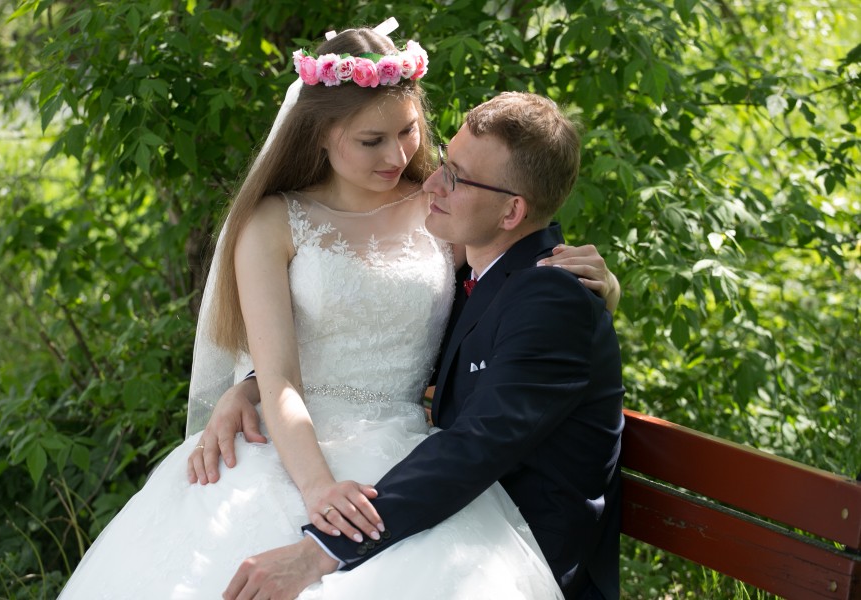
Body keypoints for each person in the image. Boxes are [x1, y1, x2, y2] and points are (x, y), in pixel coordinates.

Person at [58, 20, 619, 599]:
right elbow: (282, 374)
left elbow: (500, 305)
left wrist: (601, 291)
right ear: (320, 134)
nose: (399, 155)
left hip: (405, 445)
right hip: (292, 446)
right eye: (371, 141)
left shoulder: (438, 211)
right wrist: (296, 455)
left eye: (408, 131)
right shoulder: (273, 222)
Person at [221, 92, 624, 600]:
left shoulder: (550, 298)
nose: (429, 181)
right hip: (432, 487)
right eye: (443, 163)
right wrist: (254, 384)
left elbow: (477, 444)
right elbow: (381, 334)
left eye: (455, 176)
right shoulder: (492, 276)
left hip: (523, 545)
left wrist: (323, 548)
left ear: (512, 211)